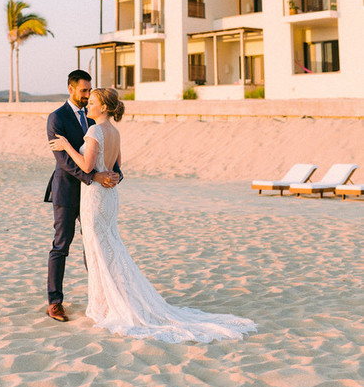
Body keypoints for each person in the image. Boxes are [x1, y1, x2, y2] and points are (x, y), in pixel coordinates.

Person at [49, 87, 257, 343]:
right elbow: (118, 167)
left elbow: (87, 166)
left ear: (103, 107)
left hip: (95, 197)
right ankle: (109, 300)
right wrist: (110, 174)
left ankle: (106, 305)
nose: (87, 106)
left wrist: (67, 146)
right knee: (109, 247)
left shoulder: (94, 131)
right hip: (110, 197)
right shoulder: (114, 132)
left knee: (98, 250)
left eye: (91, 103)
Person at [44, 70, 120, 322]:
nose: (88, 96)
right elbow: (63, 159)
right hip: (67, 191)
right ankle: (55, 302)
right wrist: (92, 177)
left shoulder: (94, 117)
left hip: (94, 197)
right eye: (83, 91)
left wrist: (115, 174)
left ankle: (101, 297)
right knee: (61, 245)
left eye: (90, 91)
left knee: (95, 246)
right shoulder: (57, 118)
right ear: (71, 89)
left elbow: (105, 150)